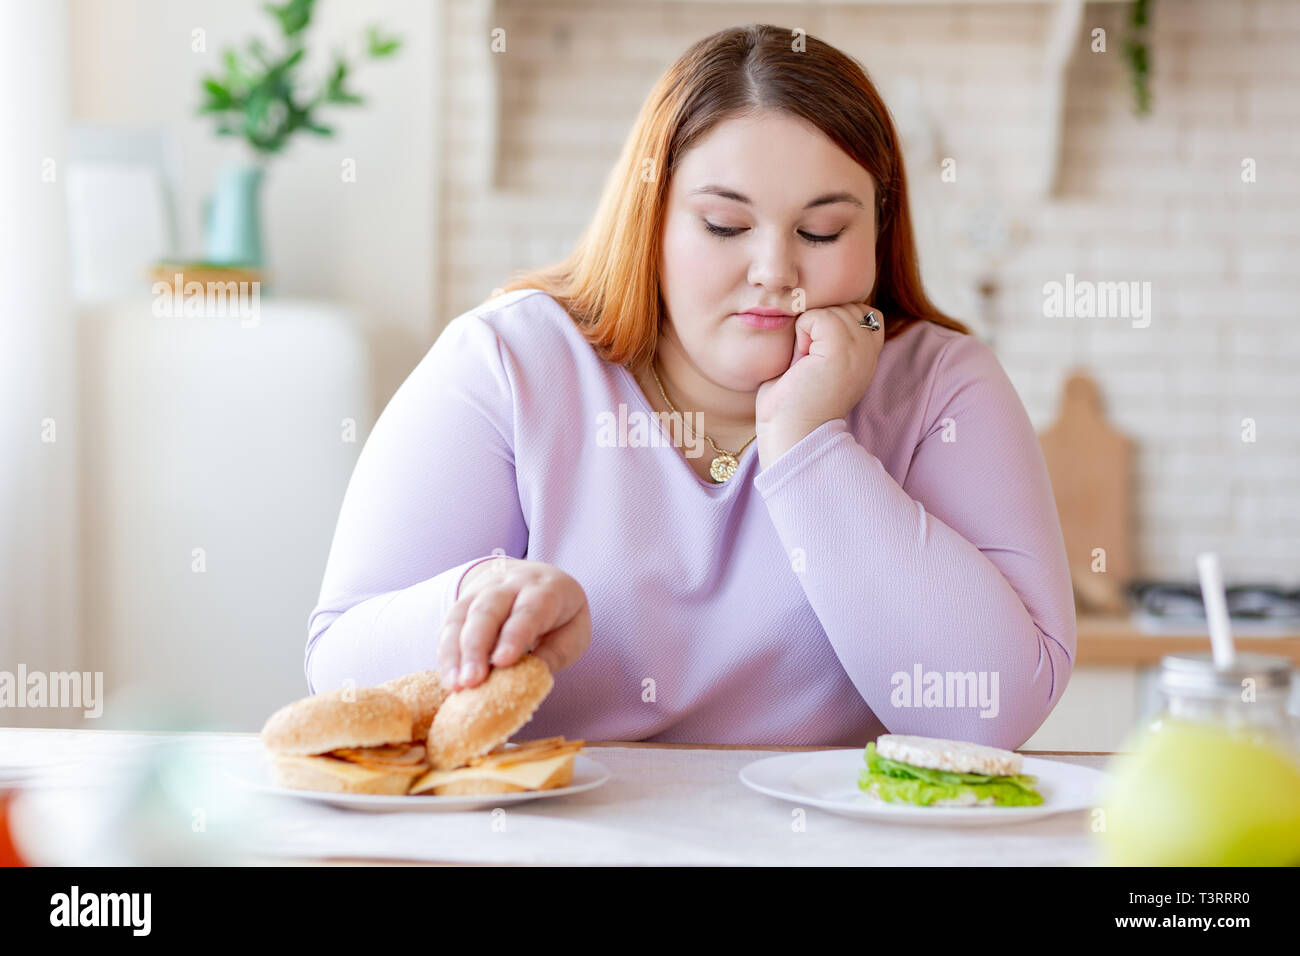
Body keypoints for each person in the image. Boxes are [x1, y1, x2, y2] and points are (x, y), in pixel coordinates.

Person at [304, 23, 1076, 748]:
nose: (775, 270)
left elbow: (990, 715)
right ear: (654, 223)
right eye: (724, 226)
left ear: (877, 233)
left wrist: (810, 440)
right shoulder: (509, 363)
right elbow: (338, 663)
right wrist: (485, 598)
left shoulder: (944, 387)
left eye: (822, 232)